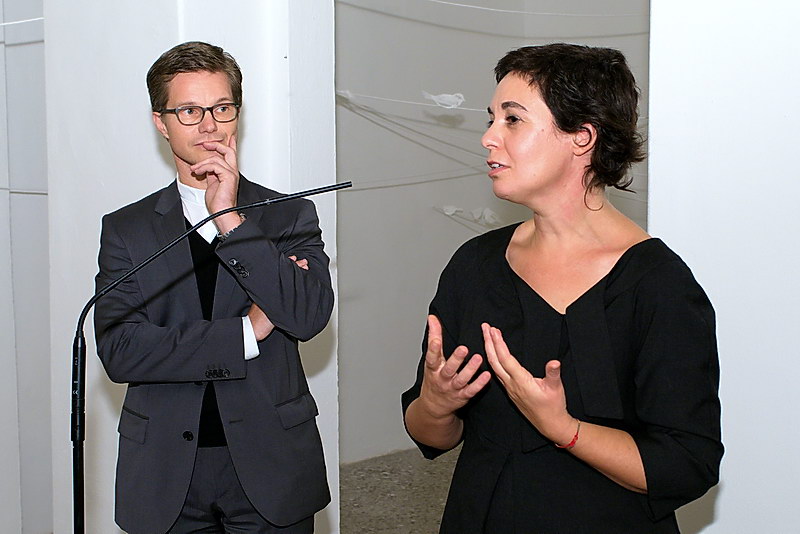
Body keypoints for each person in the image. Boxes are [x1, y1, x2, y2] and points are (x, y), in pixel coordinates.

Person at [402, 43, 723, 533]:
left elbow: (686, 465)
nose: (488, 137)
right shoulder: (475, 265)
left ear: (582, 137)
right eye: (491, 119)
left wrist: (565, 429)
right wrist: (435, 404)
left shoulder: (658, 285)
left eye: (512, 119)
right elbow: (429, 433)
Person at [94, 41, 333, 534]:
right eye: (189, 111)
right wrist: (245, 333)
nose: (209, 125)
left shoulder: (288, 215)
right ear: (161, 123)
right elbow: (120, 350)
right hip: (164, 472)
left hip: (272, 465)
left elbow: (307, 316)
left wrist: (228, 218)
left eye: (222, 108)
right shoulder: (127, 229)